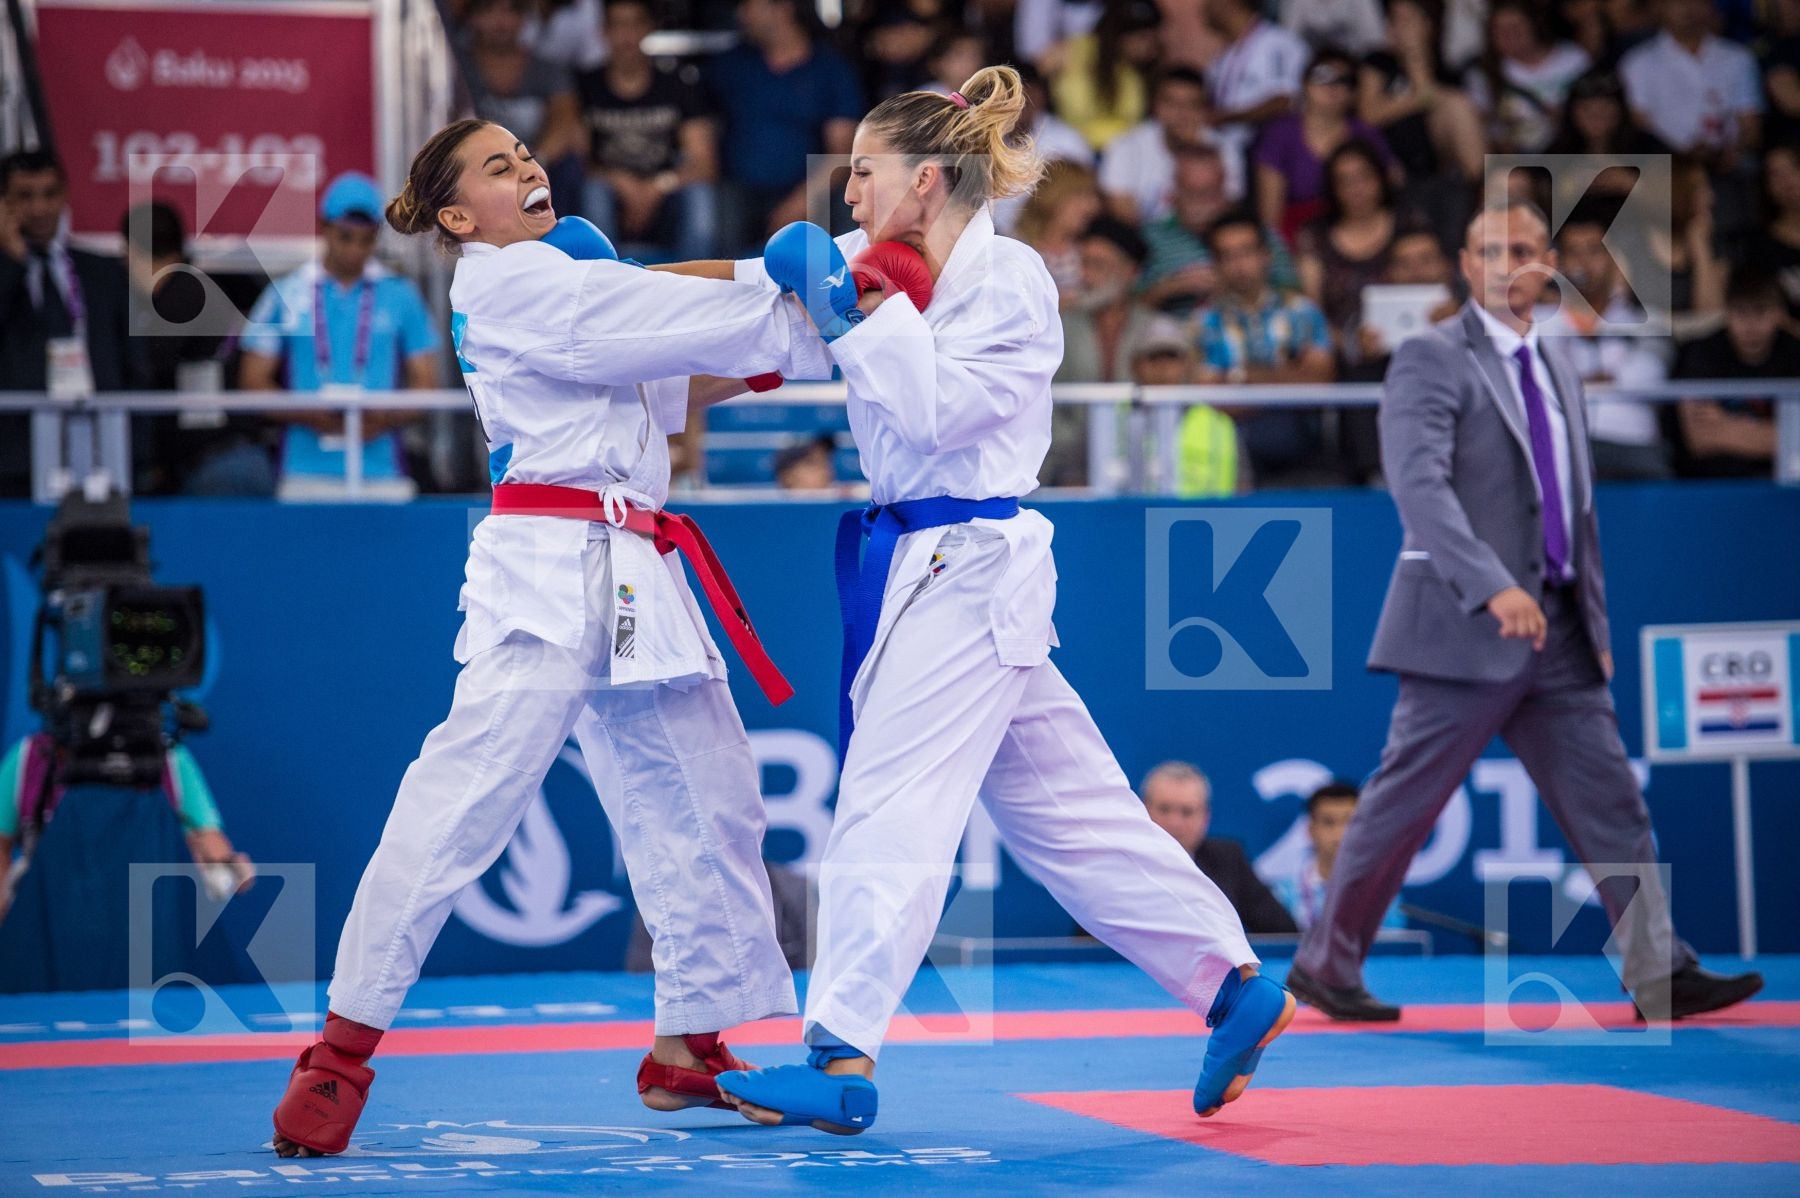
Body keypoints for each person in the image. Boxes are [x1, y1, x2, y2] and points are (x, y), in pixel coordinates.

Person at [707, 65, 1291, 1135]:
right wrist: (588, 293)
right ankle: (1233, 984)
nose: (846, 195)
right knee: (1073, 820)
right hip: (935, 567)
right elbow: (745, 285)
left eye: (865, 173)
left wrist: (844, 313)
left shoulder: (1013, 280)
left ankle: (839, 1052)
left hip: (969, 559)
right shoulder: (874, 263)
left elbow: (933, 415)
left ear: (926, 180)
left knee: (890, 803)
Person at [267, 118, 835, 1157]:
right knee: (461, 804)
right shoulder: (501, 283)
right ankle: (339, 1052)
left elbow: (673, 370)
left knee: (709, 796)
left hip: (636, 567)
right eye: (496, 166)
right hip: (543, 565)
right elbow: (658, 313)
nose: (525, 166)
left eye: (524, 153)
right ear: (454, 217)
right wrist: (768, 270)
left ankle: (686, 1045)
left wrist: (828, 311)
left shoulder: (577, 296)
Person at [1285, 198, 1765, 1024]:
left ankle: (1660, 969)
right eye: (1493, 249)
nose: (1512, 261)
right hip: (1465, 625)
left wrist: (1596, 624)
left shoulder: (1558, 365)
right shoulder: (1430, 358)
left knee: (1613, 800)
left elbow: (1574, 508)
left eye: (1528, 249)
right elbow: (1420, 488)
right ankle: (1325, 965)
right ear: (1466, 267)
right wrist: (1492, 585)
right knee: (1402, 806)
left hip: (1560, 628)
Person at [238, 173, 441, 501]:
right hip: (303, 471)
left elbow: (426, 383)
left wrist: (383, 419)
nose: (355, 250)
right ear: (324, 227)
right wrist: (310, 415)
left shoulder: (401, 295)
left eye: (366, 239)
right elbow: (252, 381)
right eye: (345, 237)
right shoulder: (285, 292)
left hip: (383, 471)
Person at [0, 150, 133, 497]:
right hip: (13, 456)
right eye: (25, 197)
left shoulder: (102, 272)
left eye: (49, 194)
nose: (40, 208)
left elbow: (132, 364)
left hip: (98, 448)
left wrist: (143, 453)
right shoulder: (6, 273)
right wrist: (11, 263)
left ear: (65, 195)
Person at [119, 202, 273, 498]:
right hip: (221, 462)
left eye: (125, 253)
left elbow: (144, 369)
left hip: (224, 466)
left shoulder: (184, 295)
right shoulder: (191, 291)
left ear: (134, 250)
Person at [1195, 209, 1339, 488]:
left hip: (1302, 440)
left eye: (1247, 252)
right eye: (1227, 256)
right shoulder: (1203, 322)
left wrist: (1244, 379)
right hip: (1230, 445)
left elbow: (1320, 381)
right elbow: (1210, 397)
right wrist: (1286, 378)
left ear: (1266, 256)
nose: (1239, 265)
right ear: (1216, 264)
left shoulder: (1302, 312)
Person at [705, 0, 863, 254]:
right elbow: (701, 132)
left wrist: (802, 201)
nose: (741, 14)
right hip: (737, 191)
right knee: (710, 207)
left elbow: (842, 151)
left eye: (749, 6)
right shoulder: (728, 66)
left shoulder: (830, 68)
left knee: (852, 205)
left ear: (783, 8)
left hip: (809, 190)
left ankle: (843, 289)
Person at [1535, 200, 1675, 481]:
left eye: (1594, 251)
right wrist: (1609, 378)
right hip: (1558, 445)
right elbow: (1537, 381)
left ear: (1614, 259)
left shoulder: (1648, 321)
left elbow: (1647, 377)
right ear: (1558, 262)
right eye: (1574, 252)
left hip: (1632, 446)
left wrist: (1571, 380)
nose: (1584, 263)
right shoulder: (1534, 322)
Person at [576, 0, 719, 262]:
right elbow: (577, 161)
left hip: (666, 194)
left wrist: (657, 187)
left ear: (648, 28)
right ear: (603, 31)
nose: (626, 35)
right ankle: (604, 285)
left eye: (634, 23)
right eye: (618, 25)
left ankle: (696, 287)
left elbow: (704, 163)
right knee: (593, 191)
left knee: (700, 195)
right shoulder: (586, 86)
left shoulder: (677, 84)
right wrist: (620, 182)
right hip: (611, 195)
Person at [1048, 215, 1159, 486]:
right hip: (1065, 473)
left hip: (1145, 469)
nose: (1086, 275)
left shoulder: (1157, 330)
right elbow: (1047, 406)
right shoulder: (1059, 328)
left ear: (1131, 271)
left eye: (1098, 265)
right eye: (1083, 263)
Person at [1254, 49, 1397, 249]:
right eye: (1322, 75)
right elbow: (1270, 217)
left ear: (1354, 91)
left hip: (1360, 235)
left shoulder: (1366, 133)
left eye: (1344, 80)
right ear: (1304, 82)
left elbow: (1391, 189)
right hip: (1295, 239)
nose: (1333, 85)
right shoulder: (1280, 133)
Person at [1140, 146, 1300, 316]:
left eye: (1211, 191)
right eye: (1193, 192)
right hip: (1174, 335)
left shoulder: (1259, 232)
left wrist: (1241, 283)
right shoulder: (1150, 237)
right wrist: (1171, 287)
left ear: (1225, 186)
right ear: (1174, 191)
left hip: (1256, 332)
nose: (1203, 202)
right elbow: (1126, 310)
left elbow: (1295, 296)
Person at [1670, 266, 1796, 478]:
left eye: (1760, 311)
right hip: (1712, 486)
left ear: (1778, 313)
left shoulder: (1794, 353)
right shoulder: (1701, 353)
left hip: (1786, 487)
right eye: (1741, 312)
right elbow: (1700, 438)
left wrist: (1727, 425)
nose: (1750, 325)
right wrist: (1780, 434)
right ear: (1726, 312)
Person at [1141, 762, 1295, 934]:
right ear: (1142, 809)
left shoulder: (1228, 858)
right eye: (1164, 809)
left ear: (1205, 817)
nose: (1174, 822)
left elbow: (1284, 934)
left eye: (1187, 812)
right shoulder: (1119, 859)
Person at [1618, 0, 1763, 172]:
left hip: (1729, 168)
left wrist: (1733, 152)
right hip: (1665, 170)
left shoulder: (1738, 58)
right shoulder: (1637, 62)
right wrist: (1682, 157)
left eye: (1698, 2)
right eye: (1678, 3)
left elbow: (1750, 122)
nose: (1688, 9)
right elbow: (1639, 123)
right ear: (1660, 8)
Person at [1100, 68, 1237, 227]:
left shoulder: (1223, 148)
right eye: (1171, 103)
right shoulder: (1125, 146)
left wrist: (1193, 151)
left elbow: (1229, 210)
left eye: (1191, 105)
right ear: (1155, 105)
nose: (1181, 113)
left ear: (1204, 109)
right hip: (1145, 242)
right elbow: (1122, 214)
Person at [1202, 0, 1311, 196]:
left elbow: (1285, 101)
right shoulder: (1223, 55)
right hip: (1229, 157)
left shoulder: (1280, 43)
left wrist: (1226, 118)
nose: (1205, 6)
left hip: (1267, 158)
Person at [1271, 781, 1404, 932]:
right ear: (1311, 830)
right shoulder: (1282, 894)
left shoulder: (1381, 890)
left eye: (1350, 822)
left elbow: (1390, 950)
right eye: (1329, 822)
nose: (1340, 833)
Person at [1466, 0, 1592, 155]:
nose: (1509, 35)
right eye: (1501, 30)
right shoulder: (1482, 73)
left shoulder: (1574, 58)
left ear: (1534, 25)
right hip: (1516, 157)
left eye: (1516, 27)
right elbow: (1480, 126)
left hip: (1573, 150)